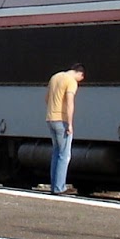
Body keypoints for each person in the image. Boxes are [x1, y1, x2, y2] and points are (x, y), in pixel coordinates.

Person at [45, 63, 85, 195]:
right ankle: (59, 187)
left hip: (50, 118)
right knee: (64, 155)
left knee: (56, 153)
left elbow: (46, 98)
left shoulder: (55, 77)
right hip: (62, 121)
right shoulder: (71, 81)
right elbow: (69, 103)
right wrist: (70, 124)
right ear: (80, 73)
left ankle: (54, 186)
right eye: (81, 78)